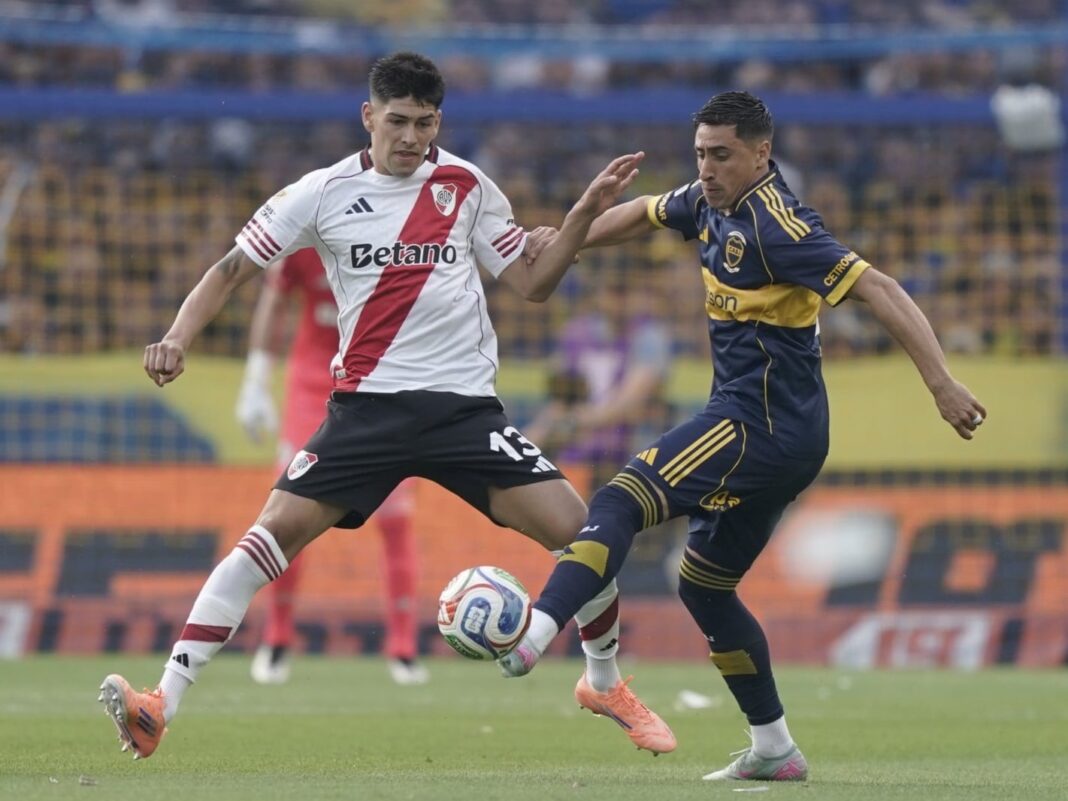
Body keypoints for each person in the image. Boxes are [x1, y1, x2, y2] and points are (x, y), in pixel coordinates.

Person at [98, 51, 675, 761]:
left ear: (439, 121)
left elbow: (532, 283)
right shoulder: (319, 193)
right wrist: (177, 337)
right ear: (368, 116)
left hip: (464, 412)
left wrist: (582, 214)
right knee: (266, 538)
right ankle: (160, 700)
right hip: (365, 412)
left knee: (585, 536)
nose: (410, 136)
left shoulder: (465, 185)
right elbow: (231, 268)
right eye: (397, 121)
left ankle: (604, 683)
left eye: (424, 123)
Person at [500, 91, 987, 782]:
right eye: (700, 153)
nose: (707, 167)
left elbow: (877, 287)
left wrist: (941, 382)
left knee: (619, 500)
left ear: (762, 152)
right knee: (704, 585)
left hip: (758, 424)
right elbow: (641, 213)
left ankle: (536, 634)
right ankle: (775, 748)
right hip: (777, 432)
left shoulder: (778, 225)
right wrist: (571, 233)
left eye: (722, 155)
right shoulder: (707, 201)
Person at [235, 247, 428, 686]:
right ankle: (278, 637)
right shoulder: (304, 229)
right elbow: (274, 299)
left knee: (395, 520)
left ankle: (402, 647)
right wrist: (256, 382)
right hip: (311, 384)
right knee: (288, 513)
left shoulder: (396, 233)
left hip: (381, 384)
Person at [524, 267, 674, 488]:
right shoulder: (576, 332)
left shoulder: (649, 336)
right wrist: (532, 438)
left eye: (627, 291)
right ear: (598, 294)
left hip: (632, 446)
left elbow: (630, 402)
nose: (620, 300)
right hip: (579, 443)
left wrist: (576, 421)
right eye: (613, 291)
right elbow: (560, 398)